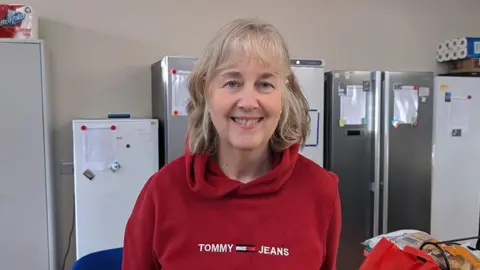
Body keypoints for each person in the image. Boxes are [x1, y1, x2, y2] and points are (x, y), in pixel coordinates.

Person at [122, 18, 341, 270]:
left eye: (264, 84)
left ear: (284, 95)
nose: (249, 102)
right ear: (207, 91)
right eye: (232, 83)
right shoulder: (162, 192)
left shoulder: (321, 191)